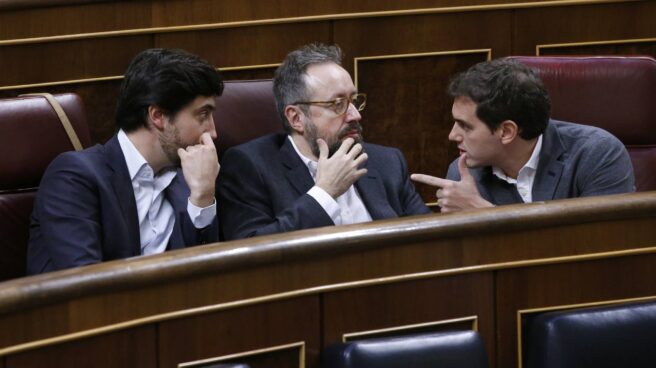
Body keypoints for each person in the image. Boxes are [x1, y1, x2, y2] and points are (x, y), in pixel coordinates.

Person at [28, 48, 223, 274]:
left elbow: (208, 280)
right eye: (203, 115)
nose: (213, 132)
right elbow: (84, 284)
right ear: (158, 116)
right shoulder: (74, 177)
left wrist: (202, 197)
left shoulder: (190, 180)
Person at [218, 43, 429, 240]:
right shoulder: (251, 167)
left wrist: (459, 213)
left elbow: (426, 241)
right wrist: (324, 193)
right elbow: (253, 252)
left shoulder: (387, 162)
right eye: (337, 104)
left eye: (354, 101)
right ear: (296, 118)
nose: (355, 115)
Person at [411, 58, 635, 212]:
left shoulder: (597, 155)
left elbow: (598, 247)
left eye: (465, 126)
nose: (452, 136)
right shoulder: (464, 174)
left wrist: (482, 213)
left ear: (507, 132)